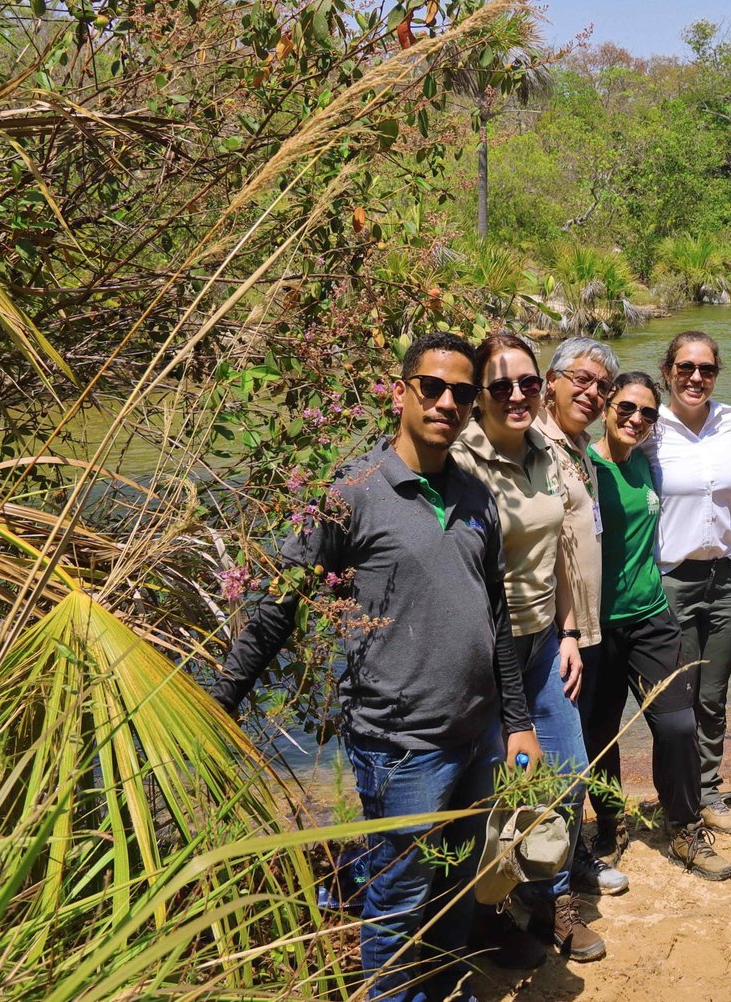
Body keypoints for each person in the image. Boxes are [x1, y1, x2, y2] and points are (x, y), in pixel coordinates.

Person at [212, 331, 538, 1002]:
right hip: (399, 745)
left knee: (455, 888)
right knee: (397, 901)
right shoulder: (353, 494)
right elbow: (281, 604)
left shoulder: (477, 497)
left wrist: (518, 720)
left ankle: (449, 988)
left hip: (475, 736)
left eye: (462, 392)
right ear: (402, 391)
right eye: (433, 386)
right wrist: (222, 697)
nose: (447, 401)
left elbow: (497, 618)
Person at [451, 332, 601, 964]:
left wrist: (568, 632)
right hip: (489, 652)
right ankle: (487, 915)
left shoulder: (547, 448)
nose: (518, 395)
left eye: (529, 384)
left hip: (543, 641)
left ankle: (550, 902)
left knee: (567, 775)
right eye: (502, 385)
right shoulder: (461, 460)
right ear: (479, 395)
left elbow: (564, 546)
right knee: (495, 789)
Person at [583, 370, 731, 882]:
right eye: (626, 408)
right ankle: (609, 824)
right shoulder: (583, 466)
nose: (637, 419)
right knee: (600, 736)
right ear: (605, 405)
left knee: (677, 724)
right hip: (596, 626)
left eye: (648, 412)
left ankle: (685, 827)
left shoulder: (647, 463)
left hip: (651, 615)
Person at [532, 337, 631, 917]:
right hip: (548, 632)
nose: (592, 393)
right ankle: (551, 877)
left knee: (578, 751)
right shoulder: (533, 445)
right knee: (561, 760)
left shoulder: (578, 449)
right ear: (551, 380)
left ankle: (567, 858)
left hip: (584, 628)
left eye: (601, 385)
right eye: (581, 379)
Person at [645, 332, 731, 835]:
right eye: (685, 367)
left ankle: (708, 791)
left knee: (713, 694)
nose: (695, 377)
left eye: (706, 369)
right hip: (672, 579)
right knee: (677, 701)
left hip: (726, 576)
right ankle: (677, 798)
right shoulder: (649, 428)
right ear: (667, 371)